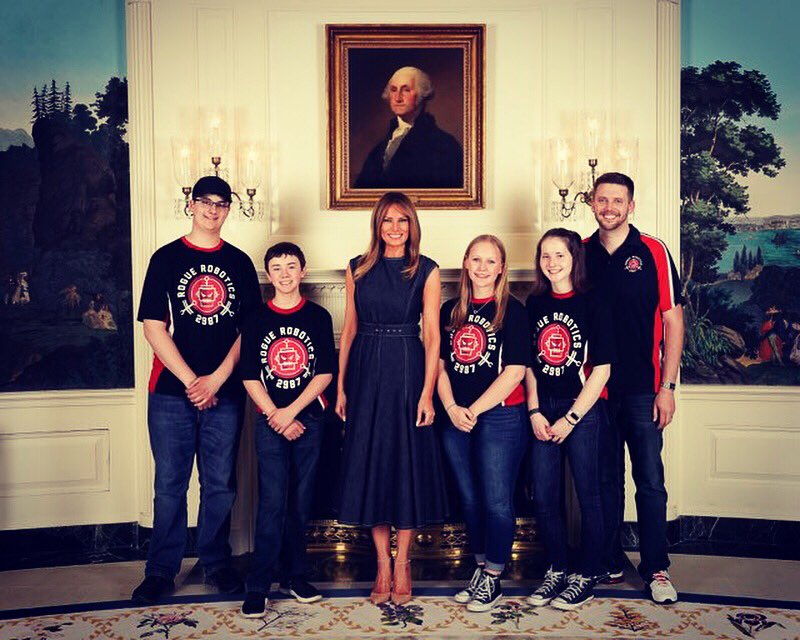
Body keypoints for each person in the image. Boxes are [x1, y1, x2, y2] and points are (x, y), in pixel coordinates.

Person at [132, 176, 261, 604]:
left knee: (220, 483)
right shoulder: (166, 258)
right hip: (172, 392)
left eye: (221, 203)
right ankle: (160, 571)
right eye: (205, 201)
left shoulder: (240, 263)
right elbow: (154, 328)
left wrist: (217, 379)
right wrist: (193, 381)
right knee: (170, 483)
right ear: (191, 204)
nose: (212, 209)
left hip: (225, 391)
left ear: (228, 210)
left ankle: (215, 562)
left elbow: (249, 331)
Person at [336, 191, 447, 605]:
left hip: (406, 368)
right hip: (365, 370)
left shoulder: (427, 269)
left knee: (405, 465)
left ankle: (403, 563)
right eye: (388, 220)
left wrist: (427, 393)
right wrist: (341, 386)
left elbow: (432, 336)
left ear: (412, 225)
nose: (395, 228)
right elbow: (349, 329)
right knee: (373, 465)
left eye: (403, 220)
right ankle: (382, 563)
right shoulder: (356, 268)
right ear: (377, 225)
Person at [584, 172, 684, 605]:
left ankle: (656, 567)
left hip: (644, 387)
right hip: (596, 389)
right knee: (605, 480)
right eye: (602, 199)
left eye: (617, 200)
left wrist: (668, 387)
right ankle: (609, 559)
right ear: (592, 203)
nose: (609, 207)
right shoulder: (579, 253)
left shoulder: (653, 251)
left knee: (649, 479)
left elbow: (673, 321)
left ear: (631, 206)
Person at [238, 242, 336, 618]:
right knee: (272, 501)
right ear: (269, 275)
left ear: (303, 271)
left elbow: (324, 372)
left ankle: (295, 576)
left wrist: (291, 413)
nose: (284, 274)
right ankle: (259, 584)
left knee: (301, 500)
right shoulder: (256, 318)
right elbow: (250, 375)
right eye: (276, 268)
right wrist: (276, 416)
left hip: (308, 419)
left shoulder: (317, 316)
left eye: (291, 266)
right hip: (269, 421)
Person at [437, 235, 529, 612]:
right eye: (476, 260)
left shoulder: (513, 310)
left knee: (496, 500)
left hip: (501, 416)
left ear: (502, 268)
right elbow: (439, 366)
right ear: (466, 263)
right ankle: (479, 569)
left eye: (491, 261)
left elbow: (515, 372)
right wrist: (451, 407)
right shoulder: (450, 310)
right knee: (470, 499)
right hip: (455, 416)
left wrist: (472, 410)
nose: (482, 268)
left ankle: (493, 575)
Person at [525, 228, 614, 611]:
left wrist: (572, 417)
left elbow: (603, 370)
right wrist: (534, 410)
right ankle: (558, 568)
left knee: (588, 494)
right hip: (543, 408)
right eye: (545, 255)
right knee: (545, 496)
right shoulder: (534, 303)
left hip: (583, 409)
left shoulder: (594, 300)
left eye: (559, 255)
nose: (552, 263)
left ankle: (587, 573)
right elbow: (528, 364)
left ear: (575, 258)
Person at [354, 66, 463, 189]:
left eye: (406, 90)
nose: (398, 98)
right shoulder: (379, 149)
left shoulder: (444, 145)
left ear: (421, 95)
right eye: (393, 90)